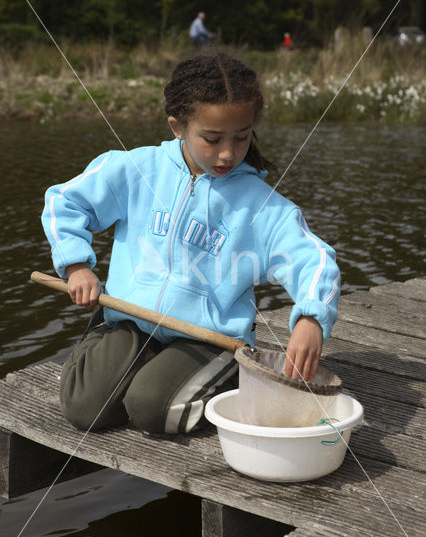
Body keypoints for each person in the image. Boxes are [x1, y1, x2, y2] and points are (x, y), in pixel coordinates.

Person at [41, 53, 340, 436]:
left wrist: (312, 318)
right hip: (130, 319)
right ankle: (123, 355)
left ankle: (227, 376)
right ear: (177, 126)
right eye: (212, 139)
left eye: (241, 136)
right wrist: (77, 265)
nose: (229, 153)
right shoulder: (136, 168)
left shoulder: (262, 206)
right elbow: (63, 201)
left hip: (207, 338)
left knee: (150, 409)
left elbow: (314, 260)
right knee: (85, 410)